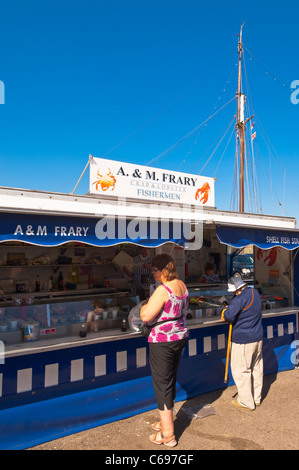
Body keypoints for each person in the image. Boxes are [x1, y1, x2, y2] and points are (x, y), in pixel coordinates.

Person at [140, 254, 189, 447]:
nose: (152, 273)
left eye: (154, 270)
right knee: (170, 380)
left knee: (162, 385)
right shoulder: (182, 285)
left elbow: (146, 316)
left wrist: (145, 306)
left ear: (162, 270)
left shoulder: (163, 290)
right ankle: (165, 421)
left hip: (163, 341)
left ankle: (168, 434)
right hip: (179, 337)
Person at [222, 275, 263, 411]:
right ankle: (256, 398)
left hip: (243, 340)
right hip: (257, 337)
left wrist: (227, 309)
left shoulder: (239, 299)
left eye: (233, 291)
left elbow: (228, 316)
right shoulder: (254, 292)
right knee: (256, 368)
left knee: (241, 370)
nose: (234, 294)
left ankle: (246, 402)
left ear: (237, 289)